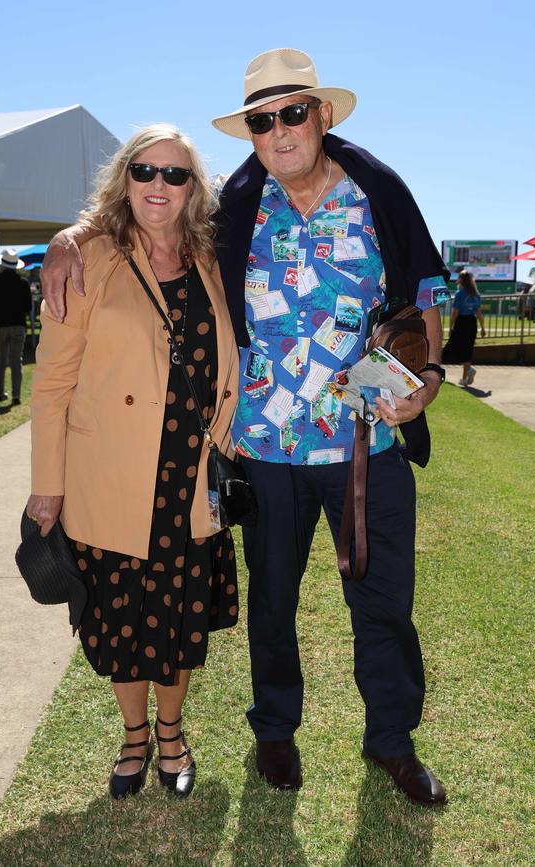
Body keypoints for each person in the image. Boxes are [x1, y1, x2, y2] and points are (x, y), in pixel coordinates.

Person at [41, 49, 449, 807]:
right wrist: (71, 237)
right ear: (251, 134)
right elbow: (150, 217)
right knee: (273, 600)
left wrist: (425, 381)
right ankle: (275, 733)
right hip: (266, 449)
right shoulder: (233, 208)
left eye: (294, 112)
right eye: (263, 119)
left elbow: (426, 296)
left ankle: (392, 741)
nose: (280, 129)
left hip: (368, 442)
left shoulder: (379, 194)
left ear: (323, 115)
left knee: (386, 601)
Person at [27, 123, 239, 801]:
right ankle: (133, 735)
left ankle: (171, 730)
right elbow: (53, 383)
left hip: (190, 480)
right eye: (144, 171)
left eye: (175, 174)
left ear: (194, 188)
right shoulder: (89, 256)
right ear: (124, 179)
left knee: (179, 621)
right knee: (122, 623)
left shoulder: (212, 257)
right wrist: (47, 488)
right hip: (115, 477)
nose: (159, 185)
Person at [0, 250, 32, 404]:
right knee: (16, 361)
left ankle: (0, 393)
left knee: (0, 361)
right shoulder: (23, 283)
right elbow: (28, 308)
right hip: (18, 324)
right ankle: (16, 395)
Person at [441, 269, 485, 385]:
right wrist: (483, 327)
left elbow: (455, 312)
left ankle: (437, 371)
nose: (457, 279)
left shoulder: (460, 293)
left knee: (452, 346)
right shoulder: (475, 294)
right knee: (468, 349)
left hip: (462, 322)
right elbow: (479, 313)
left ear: (462, 280)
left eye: (459, 277)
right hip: (472, 322)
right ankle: (465, 378)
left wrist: (451, 326)